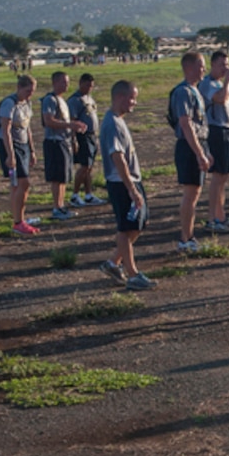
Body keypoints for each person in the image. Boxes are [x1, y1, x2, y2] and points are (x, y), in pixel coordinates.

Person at [96, 80, 157, 292]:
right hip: (121, 183)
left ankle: (113, 263)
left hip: (131, 181)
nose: (134, 103)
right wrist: (131, 188)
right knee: (126, 227)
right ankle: (132, 275)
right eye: (132, 98)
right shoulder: (111, 123)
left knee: (139, 224)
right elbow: (117, 157)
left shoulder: (118, 121)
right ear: (120, 97)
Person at [170, 51, 213, 252]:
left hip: (198, 143)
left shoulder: (194, 91)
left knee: (195, 193)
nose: (203, 69)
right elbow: (186, 124)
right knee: (190, 194)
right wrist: (199, 152)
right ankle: (185, 238)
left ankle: (190, 236)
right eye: (200, 65)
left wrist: (206, 149)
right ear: (189, 67)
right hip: (188, 146)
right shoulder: (183, 92)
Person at [198, 49, 229, 235]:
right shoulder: (208, 84)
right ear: (213, 64)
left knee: (223, 176)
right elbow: (221, 99)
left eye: (227, 64)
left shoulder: (220, 84)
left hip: (228, 129)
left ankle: (220, 214)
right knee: (217, 177)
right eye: (222, 64)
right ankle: (211, 217)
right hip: (216, 130)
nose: (225, 68)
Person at [41, 71, 84, 221]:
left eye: (67, 82)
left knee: (64, 176)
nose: (67, 85)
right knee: (57, 177)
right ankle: (56, 207)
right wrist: (70, 125)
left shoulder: (62, 101)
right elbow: (49, 121)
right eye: (63, 82)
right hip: (54, 141)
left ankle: (61, 205)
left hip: (64, 141)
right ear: (55, 82)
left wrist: (73, 136)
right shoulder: (50, 100)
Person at [5, 75, 40, 235]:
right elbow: (5, 130)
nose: (30, 94)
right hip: (13, 146)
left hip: (24, 145)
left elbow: (27, 128)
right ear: (19, 87)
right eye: (27, 91)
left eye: (32, 91)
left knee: (17, 185)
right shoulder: (9, 103)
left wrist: (32, 150)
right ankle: (18, 222)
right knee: (23, 183)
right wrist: (10, 154)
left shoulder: (26, 103)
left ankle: (19, 218)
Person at [70, 72, 101, 206]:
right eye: (87, 85)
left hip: (92, 135)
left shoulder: (89, 99)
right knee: (84, 166)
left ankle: (88, 194)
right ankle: (75, 195)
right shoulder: (75, 100)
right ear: (80, 83)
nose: (89, 88)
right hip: (82, 136)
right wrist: (74, 140)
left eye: (91, 86)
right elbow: (72, 121)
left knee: (89, 167)